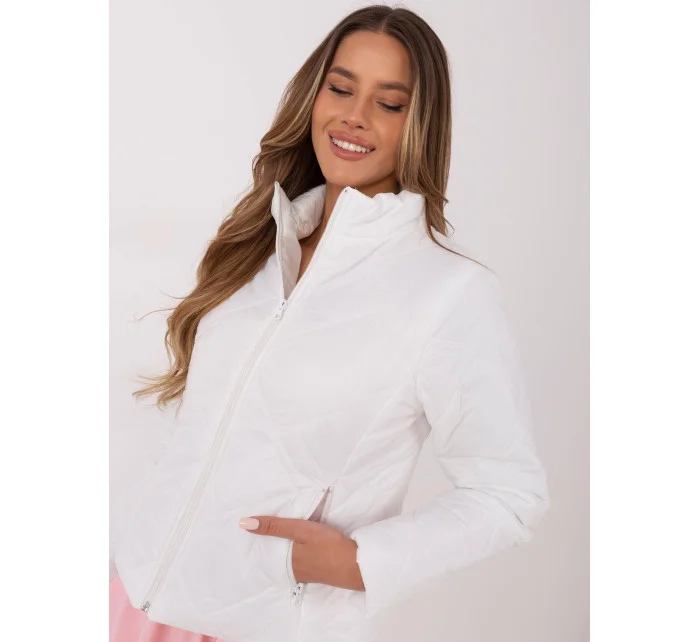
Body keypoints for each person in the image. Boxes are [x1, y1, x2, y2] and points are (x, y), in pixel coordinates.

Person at [110, 4, 551, 642]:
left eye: (389, 103)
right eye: (341, 88)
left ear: (420, 124)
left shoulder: (449, 294)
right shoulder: (259, 244)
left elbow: (507, 494)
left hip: (267, 625)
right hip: (136, 598)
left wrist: (353, 563)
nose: (355, 116)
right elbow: (201, 430)